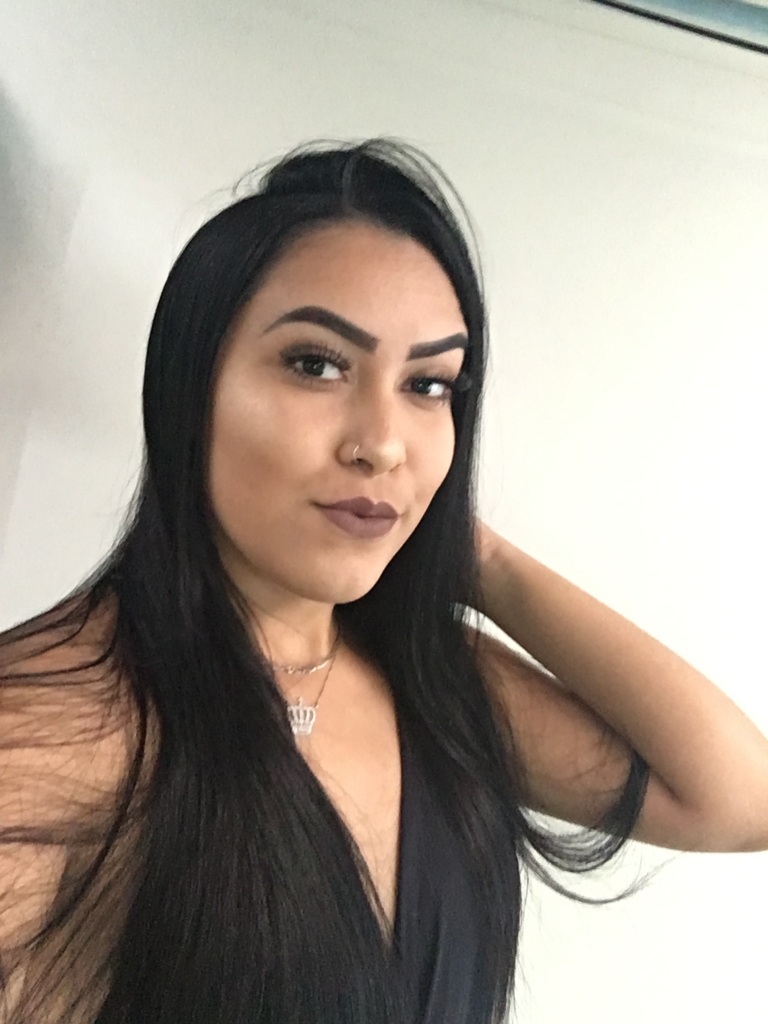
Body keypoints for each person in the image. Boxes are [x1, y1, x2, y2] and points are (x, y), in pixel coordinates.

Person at [1, 138, 766, 1024]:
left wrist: (477, 559)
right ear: (189, 383)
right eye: (316, 364)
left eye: (430, 385)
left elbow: (735, 798)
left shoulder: (435, 682)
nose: (384, 443)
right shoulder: (49, 731)